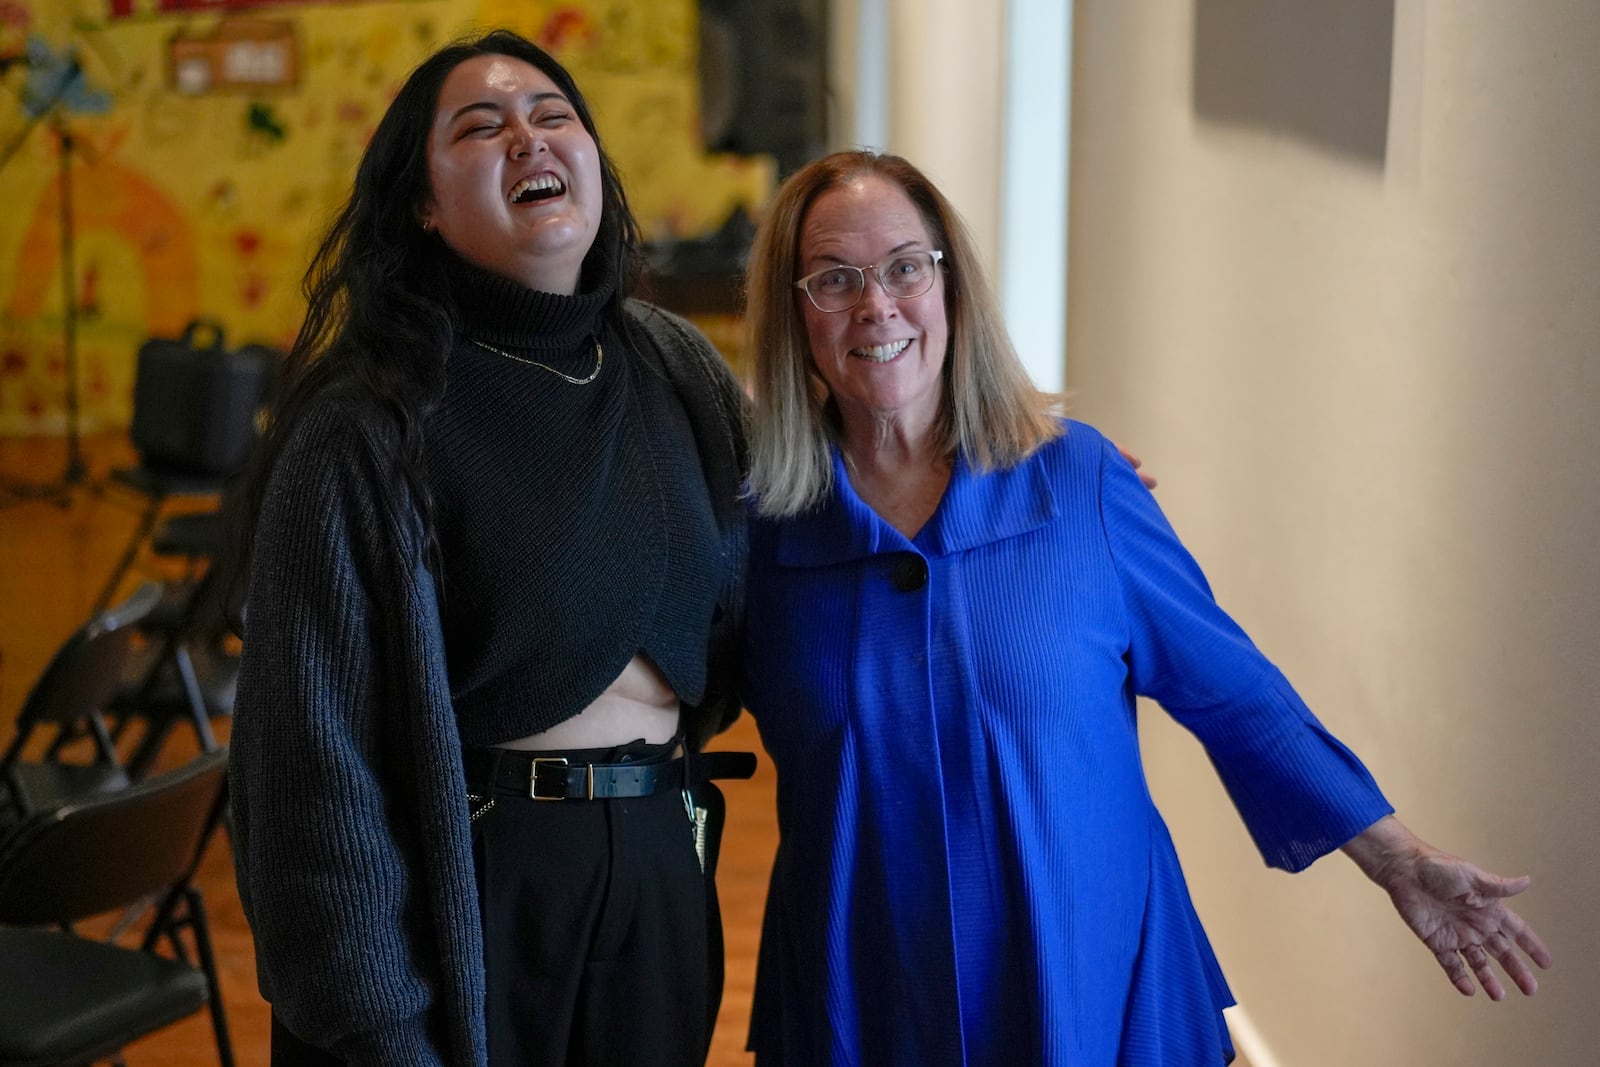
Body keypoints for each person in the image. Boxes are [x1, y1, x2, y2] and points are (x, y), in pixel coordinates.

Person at [736, 150, 1552, 1066]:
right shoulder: (759, 530)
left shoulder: (1078, 480)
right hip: (869, 980)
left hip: (1087, 967)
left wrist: (1396, 856)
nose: (876, 305)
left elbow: (1234, 691)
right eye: (833, 279)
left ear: (951, 285)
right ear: (793, 312)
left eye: (903, 267)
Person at [225, 30, 753, 1066]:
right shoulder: (366, 424)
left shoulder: (676, 367)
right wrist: (375, 1022)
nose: (528, 136)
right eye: (481, 125)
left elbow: (827, 519)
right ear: (420, 202)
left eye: (553, 115)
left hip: (657, 862)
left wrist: (1028, 464)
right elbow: (304, 778)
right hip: (470, 881)